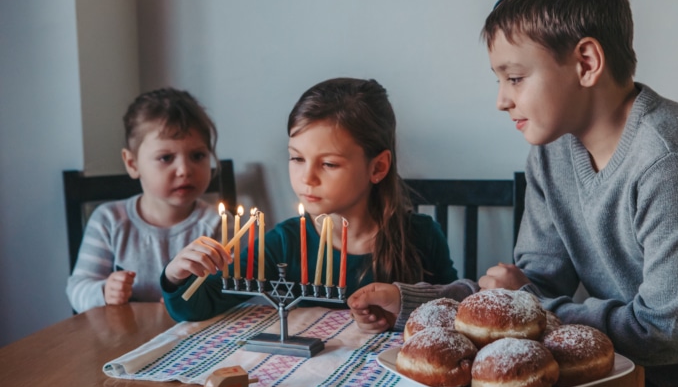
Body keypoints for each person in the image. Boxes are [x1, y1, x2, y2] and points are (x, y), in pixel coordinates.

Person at [348, 0, 678, 387]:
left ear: (586, 63)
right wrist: (415, 300)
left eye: (514, 78)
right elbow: (532, 286)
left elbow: (665, 334)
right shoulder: (552, 154)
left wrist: (531, 301)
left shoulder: (675, 162)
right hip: (629, 373)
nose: (501, 99)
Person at [162, 77, 459, 322]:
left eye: (328, 164)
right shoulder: (284, 243)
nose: (307, 178)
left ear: (378, 167)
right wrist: (175, 276)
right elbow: (195, 306)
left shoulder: (421, 236)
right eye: (296, 158)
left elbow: (454, 312)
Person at [66, 87, 227, 313]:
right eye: (166, 158)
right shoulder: (109, 221)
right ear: (132, 164)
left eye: (197, 156)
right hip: (123, 343)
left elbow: (237, 293)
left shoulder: (221, 224)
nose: (184, 170)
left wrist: (198, 300)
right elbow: (77, 288)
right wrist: (104, 291)